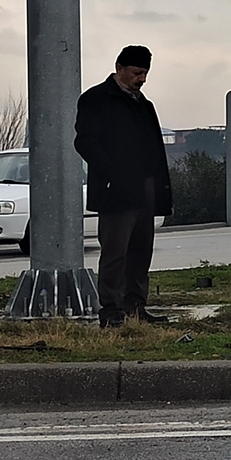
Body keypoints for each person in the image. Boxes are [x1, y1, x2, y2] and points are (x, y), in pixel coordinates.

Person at [75, 46, 173, 328]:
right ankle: (111, 310)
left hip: (146, 187)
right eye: (136, 73)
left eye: (145, 73)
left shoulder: (144, 105)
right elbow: (84, 141)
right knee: (116, 251)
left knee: (141, 250)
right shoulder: (96, 99)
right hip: (115, 189)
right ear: (119, 68)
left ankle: (135, 306)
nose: (141, 79)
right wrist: (113, 173)